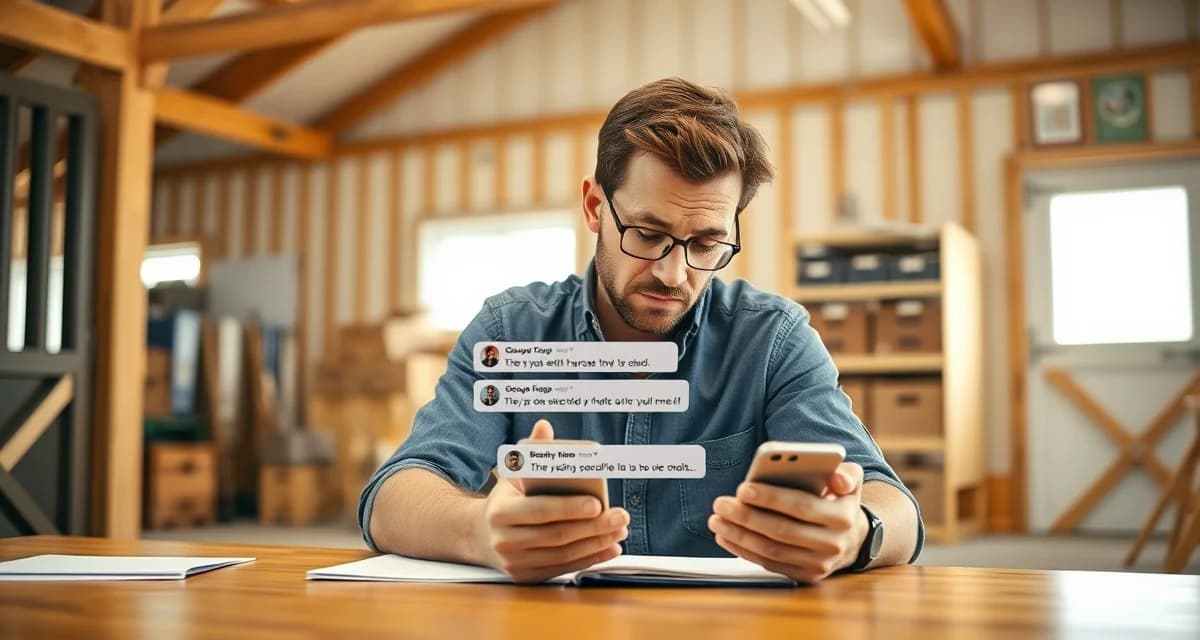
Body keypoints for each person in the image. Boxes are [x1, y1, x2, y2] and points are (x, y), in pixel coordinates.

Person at [361, 78, 923, 584]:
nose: (672, 274)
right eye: (648, 233)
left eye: (705, 244)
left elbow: (894, 506)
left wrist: (854, 533)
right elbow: (394, 497)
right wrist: (477, 530)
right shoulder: (510, 329)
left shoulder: (773, 339)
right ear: (594, 207)